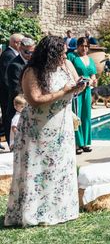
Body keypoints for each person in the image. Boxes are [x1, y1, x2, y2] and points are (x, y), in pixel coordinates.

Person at [4, 36, 87, 227]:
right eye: (62, 52)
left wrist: (80, 86)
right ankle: (35, 213)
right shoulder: (32, 71)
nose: (65, 55)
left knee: (59, 168)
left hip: (62, 126)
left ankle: (60, 210)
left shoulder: (65, 65)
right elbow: (34, 100)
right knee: (39, 169)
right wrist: (63, 91)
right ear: (51, 54)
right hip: (37, 129)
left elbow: (74, 87)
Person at [67, 37, 97, 154]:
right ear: (77, 46)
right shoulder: (72, 57)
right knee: (77, 115)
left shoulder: (90, 59)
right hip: (77, 91)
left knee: (86, 115)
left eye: (86, 46)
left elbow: (93, 74)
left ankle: (85, 142)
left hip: (87, 90)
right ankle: (77, 144)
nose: (84, 48)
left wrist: (93, 80)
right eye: (82, 46)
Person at [4, 37, 36, 142]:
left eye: (32, 52)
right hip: (19, 106)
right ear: (20, 48)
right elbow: (16, 89)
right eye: (27, 52)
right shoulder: (15, 65)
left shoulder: (32, 62)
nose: (30, 55)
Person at [1, 33, 24, 140]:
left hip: (13, 95)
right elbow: (6, 78)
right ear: (16, 43)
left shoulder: (13, 54)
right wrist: (16, 96)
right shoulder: (8, 55)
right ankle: (11, 141)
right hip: (9, 96)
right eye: (22, 43)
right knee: (9, 119)